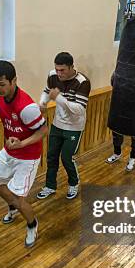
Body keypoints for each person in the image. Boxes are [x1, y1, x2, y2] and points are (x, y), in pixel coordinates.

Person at [0, 60, 48, 248]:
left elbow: (43, 131)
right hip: (9, 151)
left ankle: (32, 224)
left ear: (14, 80)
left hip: (28, 156)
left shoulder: (27, 107)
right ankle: (13, 207)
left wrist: (22, 143)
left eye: (1, 84)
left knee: (19, 198)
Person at [36, 52, 91, 200]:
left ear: (72, 67)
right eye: (57, 69)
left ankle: (74, 184)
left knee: (67, 158)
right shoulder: (53, 75)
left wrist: (58, 98)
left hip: (74, 126)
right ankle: (50, 186)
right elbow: (47, 91)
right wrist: (43, 102)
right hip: (57, 124)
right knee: (51, 156)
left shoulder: (83, 81)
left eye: (63, 70)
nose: (59, 73)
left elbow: (79, 109)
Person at [105, 72, 135, 171]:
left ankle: (132, 158)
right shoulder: (122, 69)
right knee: (117, 132)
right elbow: (113, 81)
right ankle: (117, 153)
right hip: (120, 105)